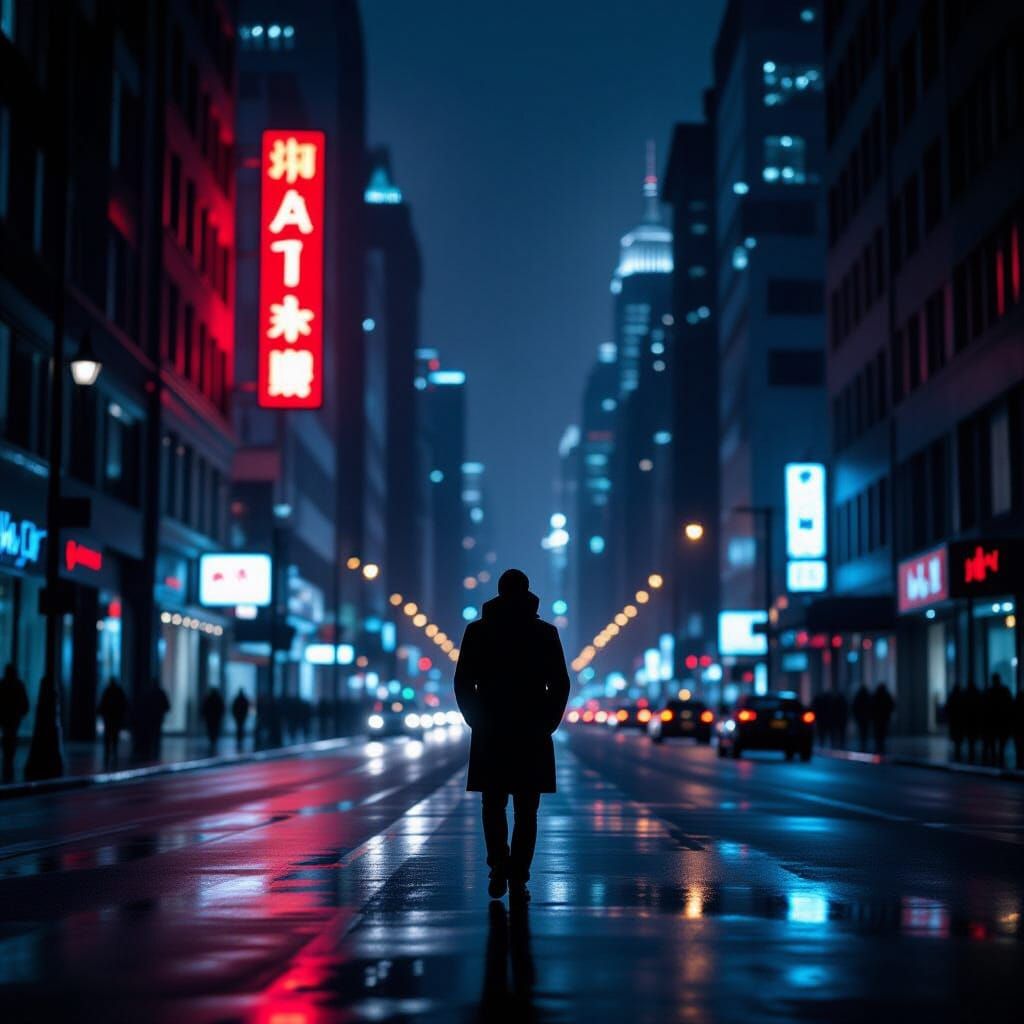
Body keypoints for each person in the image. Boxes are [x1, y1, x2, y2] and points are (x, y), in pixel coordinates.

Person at [454, 568, 570, 902]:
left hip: (491, 729)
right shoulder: (545, 633)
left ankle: (498, 866)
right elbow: (560, 683)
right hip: (531, 730)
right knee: (526, 809)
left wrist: (476, 718)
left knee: (492, 804)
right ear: (528, 591)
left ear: (499, 591)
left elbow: (463, 682)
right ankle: (518, 874)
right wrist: (548, 722)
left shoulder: (478, 631)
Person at [0, 663, 29, 783]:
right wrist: (23, 711)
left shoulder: (3, 684)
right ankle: (9, 758)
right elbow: (24, 701)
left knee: (7, 736)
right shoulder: (18, 684)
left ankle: (7, 758)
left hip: (5, 715)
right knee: (11, 736)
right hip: (14, 716)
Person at [97, 677, 129, 770]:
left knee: (109, 738)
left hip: (110, 719)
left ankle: (108, 755)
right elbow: (124, 704)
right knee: (113, 738)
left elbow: (102, 704)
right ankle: (112, 754)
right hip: (114, 719)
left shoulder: (108, 691)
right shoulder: (117, 691)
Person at [985, 673, 1013, 768]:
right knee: (1000, 742)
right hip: (1001, 721)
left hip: (994, 721)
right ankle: (999, 757)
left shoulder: (990, 692)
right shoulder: (1003, 691)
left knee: (993, 742)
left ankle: (995, 758)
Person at [144, 680, 171, 761]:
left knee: (152, 734)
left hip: (151, 717)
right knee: (156, 735)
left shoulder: (149, 693)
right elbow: (167, 706)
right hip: (157, 717)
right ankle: (154, 751)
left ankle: (151, 751)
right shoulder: (160, 693)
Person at [871, 682, 895, 754]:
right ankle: (881, 744)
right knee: (882, 731)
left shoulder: (876, 696)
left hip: (878, 718)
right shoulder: (886, 695)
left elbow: (871, 706)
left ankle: (879, 744)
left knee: (878, 731)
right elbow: (891, 705)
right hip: (883, 717)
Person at [962, 679, 982, 763]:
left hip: (969, 721)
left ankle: (971, 755)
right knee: (972, 740)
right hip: (974, 721)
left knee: (971, 740)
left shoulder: (966, 695)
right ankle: (972, 755)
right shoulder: (976, 694)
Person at [202, 686, 226, 753]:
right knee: (215, 728)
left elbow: (204, 708)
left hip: (210, 717)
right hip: (215, 717)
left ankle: (212, 739)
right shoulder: (218, 698)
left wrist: (204, 715)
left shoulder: (208, 698)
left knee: (211, 728)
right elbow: (222, 708)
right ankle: (213, 739)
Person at [946, 682, 965, 761]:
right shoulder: (961, 697)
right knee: (958, 739)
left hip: (955, 721)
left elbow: (948, 708)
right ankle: (958, 752)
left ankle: (957, 753)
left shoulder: (952, 697)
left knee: (957, 738)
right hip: (959, 721)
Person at [851, 683, 871, 750]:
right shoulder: (867, 696)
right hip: (865, 717)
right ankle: (864, 742)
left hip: (861, 717)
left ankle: (863, 743)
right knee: (865, 730)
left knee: (862, 730)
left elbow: (855, 707)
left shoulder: (859, 696)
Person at [1014, 686, 1024, 772]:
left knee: (1019, 746)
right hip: (1019, 727)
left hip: (1018, 727)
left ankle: (1019, 762)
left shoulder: (1018, 699)